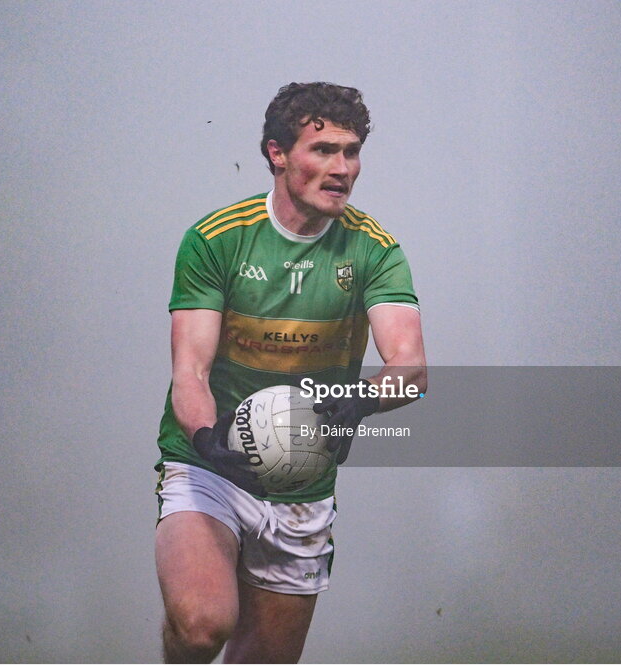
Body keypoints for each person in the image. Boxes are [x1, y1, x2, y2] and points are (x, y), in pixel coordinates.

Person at [154, 82, 427, 663]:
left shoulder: (375, 251)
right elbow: (191, 373)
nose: (343, 168)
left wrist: (364, 400)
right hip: (211, 465)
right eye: (323, 150)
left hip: (301, 484)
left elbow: (410, 366)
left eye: (351, 152)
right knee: (202, 626)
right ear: (278, 153)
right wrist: (207, 439)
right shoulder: (216, 239)